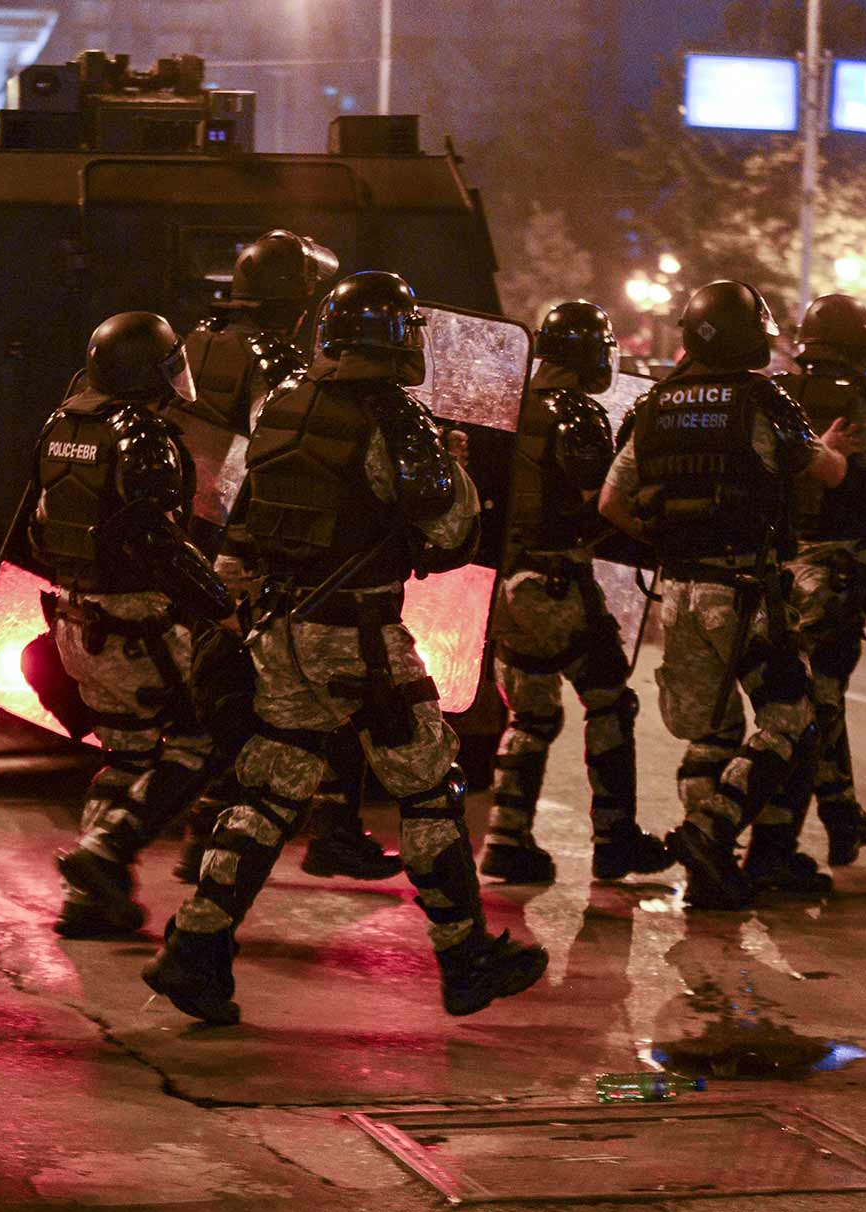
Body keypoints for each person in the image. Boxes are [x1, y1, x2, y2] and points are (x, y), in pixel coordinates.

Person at [145, 271, 550, 1024]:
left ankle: (194, 950)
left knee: (268, 789)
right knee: (429, 787)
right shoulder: (397, 419)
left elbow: (245, 517)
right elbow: (450, 534)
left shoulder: (285, 405)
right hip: (360, 637)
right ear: (401, 344)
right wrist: (454, 463)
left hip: (283, 628)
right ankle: (466, 959)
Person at [599, 280, 850, 911]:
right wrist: (838, 451)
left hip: (678, 591)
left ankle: (709, 872)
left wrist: (667, 541)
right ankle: (710, 832)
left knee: (711, 730)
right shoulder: (761, 399)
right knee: (791, 718)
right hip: (741, 593)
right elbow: (824, 471)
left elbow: (611, 502)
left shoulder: (655, 405)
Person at [184, 229, 398, 882]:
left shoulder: (196, 340)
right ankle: (328, 829)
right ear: (297, 301)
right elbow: (274, 457)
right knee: (327, 683)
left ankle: (211, 827)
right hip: (255, 543)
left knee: (233, 694)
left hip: (189, 542)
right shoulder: (277, 362)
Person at [31, 311, 235, 938]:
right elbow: (157, 543)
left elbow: (44, 526)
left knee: (126, 754)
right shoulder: (144, 435)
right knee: (209, 738)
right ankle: (106, 851)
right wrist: (218, 602)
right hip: (137, 622)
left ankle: (92, 901)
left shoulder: (63, 423)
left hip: (77, 616)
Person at [749, 294, 866, 881]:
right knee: (819, 699)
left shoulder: (776, 394)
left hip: (774, 569)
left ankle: (839, 814)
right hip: (842, 570)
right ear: (862, 343)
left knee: (816, 697)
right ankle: (786, 837)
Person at [480, 299, 670, 886]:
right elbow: (599, 499)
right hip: (559, 585)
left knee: (531, 716)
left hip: (506, 589)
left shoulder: (507, 408)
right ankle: (615, 839)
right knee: (610, 701)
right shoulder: (577, 414)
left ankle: (505, 840)